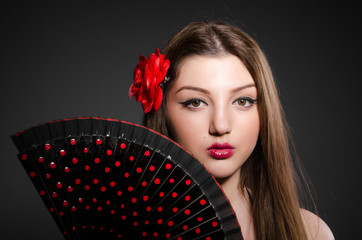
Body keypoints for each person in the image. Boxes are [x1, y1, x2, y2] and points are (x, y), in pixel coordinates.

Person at [129, 21, 334, 239]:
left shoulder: (311, 233)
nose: (221, 126)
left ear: (264, 111)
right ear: (163, 111)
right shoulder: (132, 230)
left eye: (243, 101)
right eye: (196, 102)